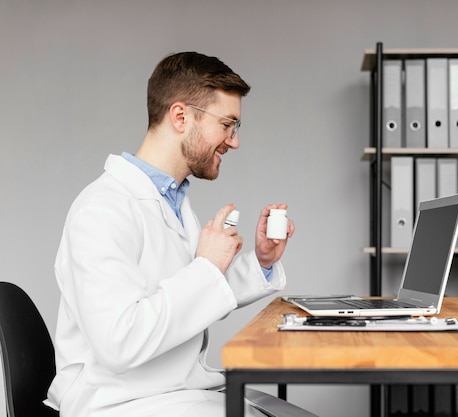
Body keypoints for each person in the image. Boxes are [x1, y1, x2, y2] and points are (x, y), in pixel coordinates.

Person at [45, 52, 294, 417]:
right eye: (228, 124)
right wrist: (207, 266)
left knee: (282, 410)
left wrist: (261, 261)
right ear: (180, 116)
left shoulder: (173, 201)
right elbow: (119, 341)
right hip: (118, 403)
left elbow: (191, 301)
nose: (234, 141)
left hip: (169, 392)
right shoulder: (102, 208)